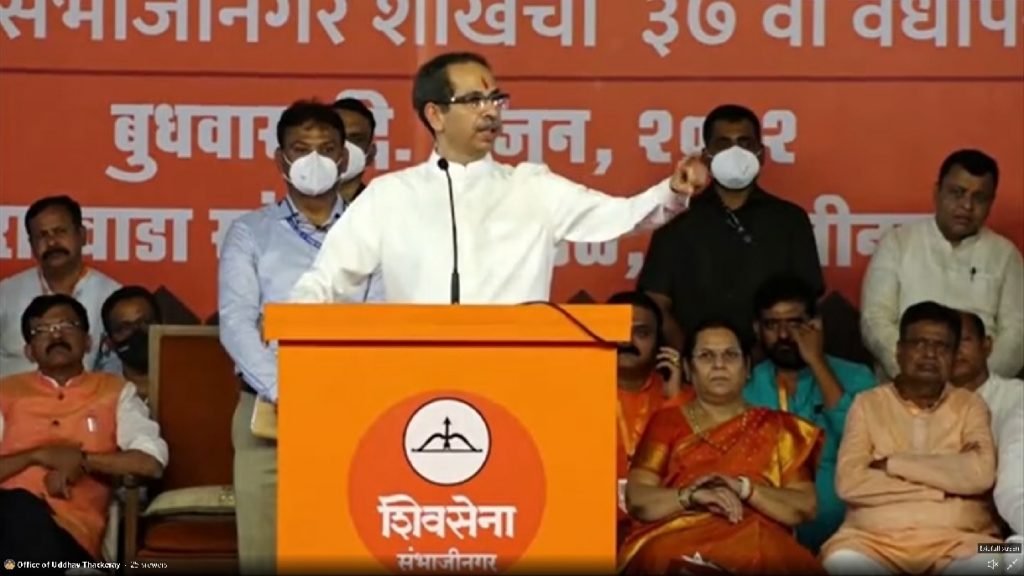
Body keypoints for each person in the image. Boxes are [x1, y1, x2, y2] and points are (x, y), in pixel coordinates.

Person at [289, 52, 708, 304]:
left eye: (495, 100)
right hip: (417, 384)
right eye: (474, 101)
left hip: (516, 382)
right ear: (435, 115)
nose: (490, 112)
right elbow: (327, 280)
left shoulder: (533, 187)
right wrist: (291, 324)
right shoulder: (390, 196)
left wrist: (672, 191)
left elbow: (624, 216)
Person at [218, 100, 384, 574]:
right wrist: (285, 389)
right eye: (300, 148)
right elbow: (236, 322)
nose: (314, 159)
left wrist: (332, 390)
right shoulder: (250, 233)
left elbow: (377, 318)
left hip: (351, 407)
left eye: (326, 149)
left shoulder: (371, 232)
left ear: (344, 158)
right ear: (281, 159)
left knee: (347, 545)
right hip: (268, 412)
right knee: (264, 554)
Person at [619, 319, 823, 575]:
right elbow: (638, 498)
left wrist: (744, 489)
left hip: (759, 538)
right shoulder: (666, 422)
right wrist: (691, 496)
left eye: (730, 355)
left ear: (747, 368)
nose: (719, 364)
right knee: (659, 555)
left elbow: (804, 505)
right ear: (688, 369)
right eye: (706, 356)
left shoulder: (780, 427)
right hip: (679, 535)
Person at [822, 301, 1001, 575]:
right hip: (873, 544)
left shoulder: (971, 405)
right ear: (899, 351)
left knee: (1009, 558)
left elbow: (980, 475)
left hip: (964, 542)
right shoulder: (867, 404)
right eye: (919, 343)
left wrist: (893, 464)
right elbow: (850, 483)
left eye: (941, 346)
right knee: (839, 562)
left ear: (953, 357)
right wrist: (944, 488)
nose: (929, 354)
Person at [637, 104, 824, 346]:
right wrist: (692, 358)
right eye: (723, 144)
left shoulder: (790, 220)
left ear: (761, 154)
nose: (735, 153)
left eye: (745, 143)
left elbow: (807, 302)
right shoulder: (676, 219)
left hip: (772, 363)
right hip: (693, 364)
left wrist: (762, 361)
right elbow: (656, 301)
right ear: (706, 156)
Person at [0, 294, 167, 563]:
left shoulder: (115, 392)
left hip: (71, 534)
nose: (56, 335)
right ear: (29, 351)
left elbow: (150, 462)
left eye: (67, 325)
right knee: (16, 506)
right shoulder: (5, 392)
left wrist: (83, 460)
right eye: (42, 330)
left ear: (88, 341)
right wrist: (37, 455)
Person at [861, 149, 1023, 380]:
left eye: (979, 198)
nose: (967, 206)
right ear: (937, 193)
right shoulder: (898, 242)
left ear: (991, 202)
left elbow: (1017, 336)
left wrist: (978, 381)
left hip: (981, 388)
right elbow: (875, 320)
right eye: (957, 193)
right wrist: (913, 371)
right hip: (906, 382)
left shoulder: (1005, 255)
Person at [744, 275, 877, 552]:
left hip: (850, 536)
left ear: (816, 325)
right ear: (757, 329)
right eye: (772, 325)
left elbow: (867, 444)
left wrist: (816, 362)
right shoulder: (745, 387)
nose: (783, 335)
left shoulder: (857, 377)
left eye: (795, 324)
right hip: (765, 535)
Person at [0, 195, 121, 378]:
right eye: (42, 235)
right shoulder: (6, 293)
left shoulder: (111, 297)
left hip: (85, 395)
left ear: (82, 235)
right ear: (31, 245)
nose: (51, 242)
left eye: (60, 232)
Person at [607, 291, 689, 545]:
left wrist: (674, 401)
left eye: (641, 333)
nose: (627, 341)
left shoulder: (681, 397)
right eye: (618, 330)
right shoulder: (575, 392)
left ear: (659, 342)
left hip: (662, 532)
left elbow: (697, 468)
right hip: (592, 529)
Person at [950, 310, 1023, 538]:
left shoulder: (1017, 396)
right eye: (947, 342)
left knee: (1012, 552)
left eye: (965, 340)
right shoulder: (925, 406)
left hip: (997, 534)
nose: (956, 350)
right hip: (944, 529)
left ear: (987, 345)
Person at [100, 286, 162, 402]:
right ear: (109, 342)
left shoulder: (191, 381)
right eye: (125, 328)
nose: (137, 332)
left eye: (146, 322)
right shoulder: (100, 394)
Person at [332, 97, 378, 205]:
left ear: (371, 154)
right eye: (334, 137)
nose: (344, 147)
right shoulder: (292, 209)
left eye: (355, 139)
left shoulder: (384, 210)